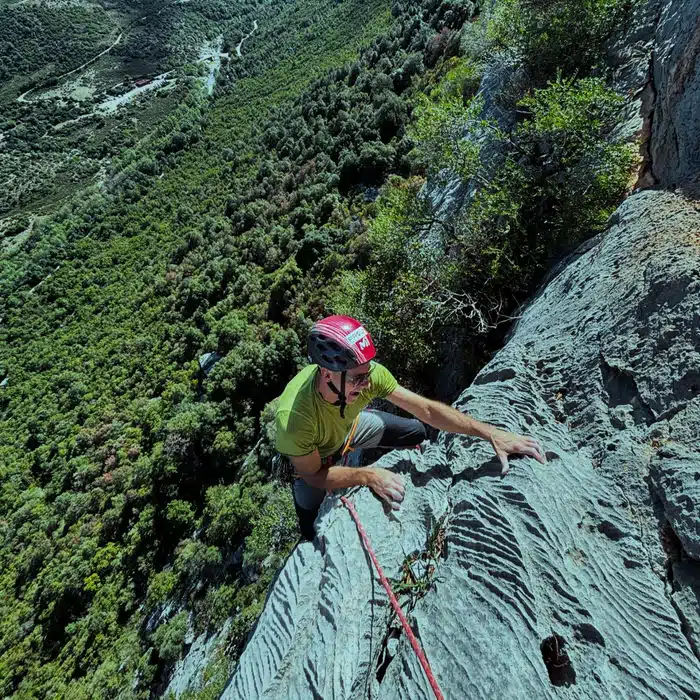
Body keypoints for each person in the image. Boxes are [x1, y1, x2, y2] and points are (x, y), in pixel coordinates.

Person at [275, 315, 546, 540]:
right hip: (315, 457)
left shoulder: (366, 376)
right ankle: (309, 539)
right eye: (358, 379)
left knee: (415, 430)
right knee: (311, 522)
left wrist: (491, 433)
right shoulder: (295, 419)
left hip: (349, 427)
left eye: (368, 374)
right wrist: (368, 476)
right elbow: (314, 476)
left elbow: (426, 410)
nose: (368, 384)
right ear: (326, 374)